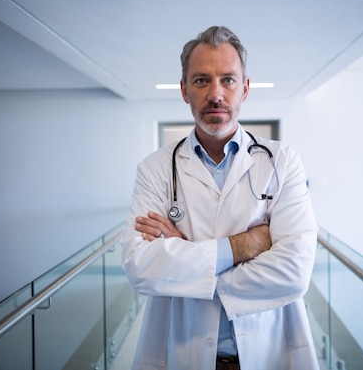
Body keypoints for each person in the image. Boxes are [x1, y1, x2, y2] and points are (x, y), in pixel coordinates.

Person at [121, 26, 319, 370]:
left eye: (227, 80)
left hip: (268, 352)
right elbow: (141, 268)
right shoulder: (155, 169)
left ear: (244, 89)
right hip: (183, 353)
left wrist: (188, 265)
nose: (216, 94)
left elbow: (294, 271)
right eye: (201, 81)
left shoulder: (282, 161)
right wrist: (243, 247)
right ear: (184, 90)